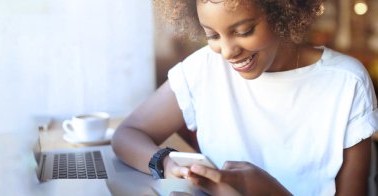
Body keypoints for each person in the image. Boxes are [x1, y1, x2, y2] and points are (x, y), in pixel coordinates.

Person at [112, 0, 378, 195]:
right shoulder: (205, 68)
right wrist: (166, 163)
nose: (227, 52)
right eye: (213, 35)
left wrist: (264, 191)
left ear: (282, 11)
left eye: (243, 31)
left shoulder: (346, 82)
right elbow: (128, 134)